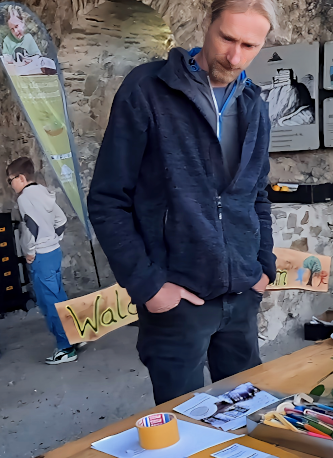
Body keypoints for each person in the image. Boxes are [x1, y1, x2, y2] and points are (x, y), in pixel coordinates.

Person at [88, 0, 277, 405]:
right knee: (185, 436)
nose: (234, 55)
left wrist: (263, 268)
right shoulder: (147, 90)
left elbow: (256, 195)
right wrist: (149, 285)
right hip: (176, 298)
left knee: (250, 423)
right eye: (227, 38)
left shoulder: (255, 105)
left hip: (242, 294)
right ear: (207, 24)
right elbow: (107, 199)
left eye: (249, 46)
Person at [7, 157, 77, 364]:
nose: (10, 185)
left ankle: (65, 348)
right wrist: (54, 239)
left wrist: (29, 251)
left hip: (41, 256)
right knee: (60, 296)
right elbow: (61, 220)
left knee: (49, 302)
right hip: (54, 252)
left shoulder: (24, 198)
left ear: (21, 177)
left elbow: (30, 228)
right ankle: (74, 336)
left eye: (10, 180)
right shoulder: (44, 193)